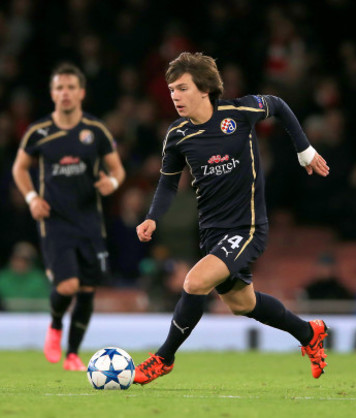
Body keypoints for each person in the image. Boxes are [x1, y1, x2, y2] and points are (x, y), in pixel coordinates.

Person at [133, 52, 330, 385]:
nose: (175, 97)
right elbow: (168, 182)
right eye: (171, 91)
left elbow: (279, 106)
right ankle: (308, 333)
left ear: (204, 88)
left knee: (194, 282)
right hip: (212, 232)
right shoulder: (178, 134)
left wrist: (304, 150)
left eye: (182, 88)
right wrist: (152, 217)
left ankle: (163, 358)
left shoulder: (239, 112)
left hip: (248, 227)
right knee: (242, 303)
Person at [12, 63, 125, 371]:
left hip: (90, 221)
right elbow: (19, 168)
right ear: (52, 93)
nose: (65, 93)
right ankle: (55, 324)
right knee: (67, 286)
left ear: (81, 93)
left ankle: (73, 354)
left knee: (87, 290)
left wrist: (111, 183)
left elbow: (118, 169)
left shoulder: (96, 131)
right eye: (59, 87)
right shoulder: (39, 132)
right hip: (55, 220)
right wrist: (32, 197)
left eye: (71, 87)